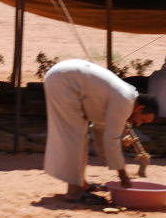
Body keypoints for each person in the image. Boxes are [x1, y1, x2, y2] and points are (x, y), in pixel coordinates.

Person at [42, 59, 158, 203]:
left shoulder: (125, 98)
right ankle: (75, 193)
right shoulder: (125, 102)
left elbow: (102, 132)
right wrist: (123, 175)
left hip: (62, 77)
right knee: (75, 137)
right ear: (140, 108)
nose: (138, 124)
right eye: (142, 120)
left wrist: (113, 162)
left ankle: (81, 184)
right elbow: (112, 139)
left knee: (80, 137)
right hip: (64, 81)